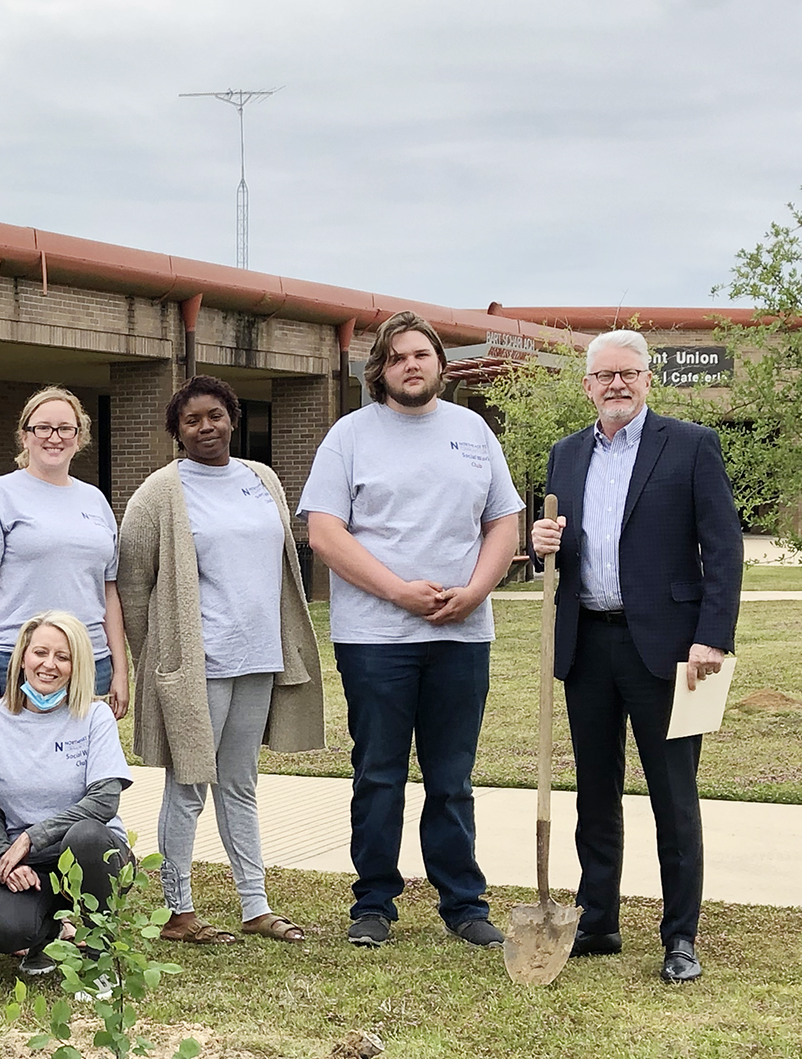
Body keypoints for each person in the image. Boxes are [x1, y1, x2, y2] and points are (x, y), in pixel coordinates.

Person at [299, 311, 523, 950]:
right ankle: (373, 903)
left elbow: (503, 521)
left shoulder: (474, 431)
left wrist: (476, 591)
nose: (411, 365)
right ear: (380, 370)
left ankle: (463, 904)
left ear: (440, 366)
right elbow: (324, 532)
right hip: (374, 638)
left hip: (462, 634)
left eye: (421, 354)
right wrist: (397, 591)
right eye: (397, 357)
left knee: (452, 775)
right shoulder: (349, 436)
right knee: (378, 773)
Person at [529, 329, 742, 984]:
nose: (616, 384)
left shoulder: (691, 445)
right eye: (604, 375)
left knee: (673, 797)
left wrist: (713, 636)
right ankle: (598, 920)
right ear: (588, 385)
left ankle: (680, 938)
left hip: (673, 648)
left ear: (648, 379)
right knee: (595, 792)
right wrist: (542, 541)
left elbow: (724, 549)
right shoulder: (565, 454)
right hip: (588, 643)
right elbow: (560, 545)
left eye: (629, 373)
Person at [119, 375, 326, 945]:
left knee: (241, 782)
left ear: (233, 418)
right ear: (176, 432)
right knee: (189, 783)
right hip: (197, 664)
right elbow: (132, 584)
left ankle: (254, 906)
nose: (205, 427)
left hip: (258, 656)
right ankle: (177, 910)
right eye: (192, 420)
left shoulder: (262, 480)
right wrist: (157, 658)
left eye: (215, 415)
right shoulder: (159, 492)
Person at [0, 611, 133, 975]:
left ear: (76, 665)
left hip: (88, 851)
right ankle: (49, 935)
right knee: (5, 930)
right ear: (22, 657)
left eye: (62, 657)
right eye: (40, 653)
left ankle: (98, 953)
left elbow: (103, 801)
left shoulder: (94, 716)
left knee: (86, 836)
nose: (49, 665)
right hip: (28, 863)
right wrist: (7, 856)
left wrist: (31, 838)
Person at [0, 387, 129, 717]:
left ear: (79, 438)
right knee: (22, 763)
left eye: (66, 428)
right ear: (24, 436)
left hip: (90, 660)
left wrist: (120, 669)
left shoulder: (96, 501)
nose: (55, 437)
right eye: (43, 428)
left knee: (80, 762)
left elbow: (108, 592)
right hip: (17, 657)